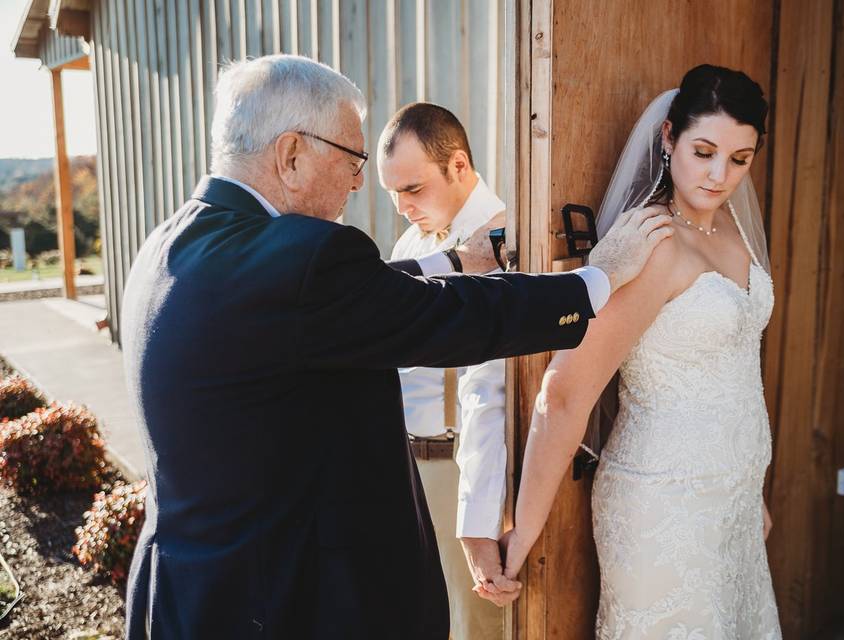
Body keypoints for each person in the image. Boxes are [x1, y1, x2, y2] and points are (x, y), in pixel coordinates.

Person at [119, 54, 672, 639]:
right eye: (353, 160)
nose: (359, 183)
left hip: (186, 590)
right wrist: (597, 279)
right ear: (291, 155)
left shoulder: (172, 243)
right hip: (277, 601)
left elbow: (345, 298)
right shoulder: (302, 261)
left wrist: (454, 261)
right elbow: (442, 315)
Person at [501, 64, 783, 638]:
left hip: (730, 499)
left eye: (739, 159)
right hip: (664, 505)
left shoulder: (733, 227)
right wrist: (521, 533)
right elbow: (564, 394)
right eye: (703, 151)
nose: (719, 174)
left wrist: (749, 492)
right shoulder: (651, 245)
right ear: (669, 137)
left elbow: (733, 366)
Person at [380, 102, 509, 638]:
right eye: (394, 195)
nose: (403, 207)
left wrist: (476, 525)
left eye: (413, 189)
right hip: (406, 467)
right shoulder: (413, 241)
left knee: (471, 628)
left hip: (461, 471)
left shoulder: (502, 237)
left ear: (458, 166)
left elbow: (490, 391)